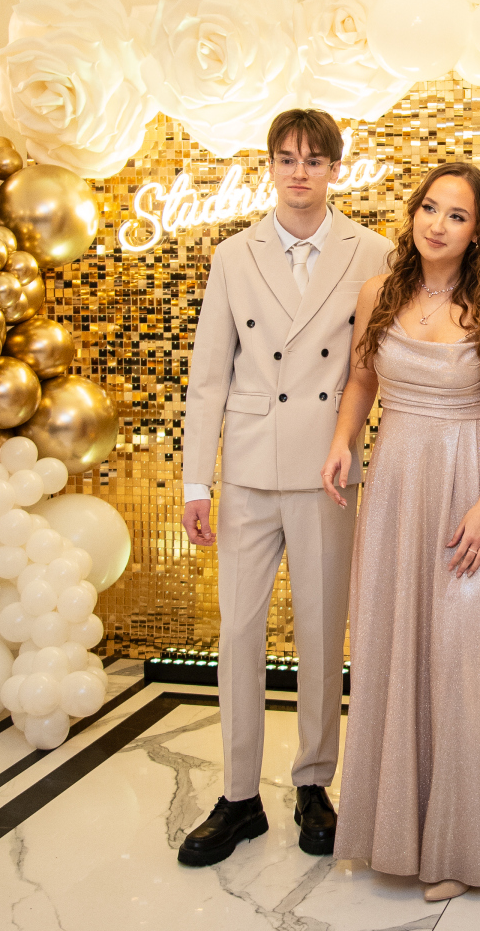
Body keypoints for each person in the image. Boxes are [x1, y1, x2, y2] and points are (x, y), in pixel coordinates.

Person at [178, 108, 394, 866]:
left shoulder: (374, 252)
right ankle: (239, 797)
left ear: (336, 168)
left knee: (321, 632)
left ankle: (312, 783)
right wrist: (196, 481)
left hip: (327, 468)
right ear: (269, 166)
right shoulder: (234, 254)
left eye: (314, 159)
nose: (299, 172)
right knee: (237, 632)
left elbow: (376, 365)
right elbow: (208, 377)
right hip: (246, 469)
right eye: (286, 158)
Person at [322, 162, 480, 903]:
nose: (437, 224)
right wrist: (343, 439)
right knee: (395, 644)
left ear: (478, 232)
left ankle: (462, 846)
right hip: (397, 482)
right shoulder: (377, 292)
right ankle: (395, 833)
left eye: (457, 215)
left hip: (470, 478)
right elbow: (361, 380)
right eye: (430, 208)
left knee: (462, 654)